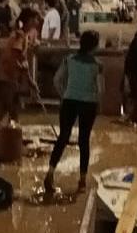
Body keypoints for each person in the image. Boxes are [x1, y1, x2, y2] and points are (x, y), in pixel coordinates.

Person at [44, 31, 104, 193]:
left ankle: (50, 173)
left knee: (63, 137)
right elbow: (100, 89)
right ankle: (82, 181)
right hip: (88, 104)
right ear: (94, 46)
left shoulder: (68, 60)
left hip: (69, 101)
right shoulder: (97, 65)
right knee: (84, 140)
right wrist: (98, 103)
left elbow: (57, 80)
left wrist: (65, 94)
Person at [0, 11, 37, 128]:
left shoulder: (22, 36)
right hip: (8, 77)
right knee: (7, 109)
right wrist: (24, 78)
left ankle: (4, 136)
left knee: (8, 109)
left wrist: (28, 79)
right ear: (28, 21)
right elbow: (14, 57)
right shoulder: (19, 36)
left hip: (9, 77)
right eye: (35, 19)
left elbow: (22, 60)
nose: (37, 22)